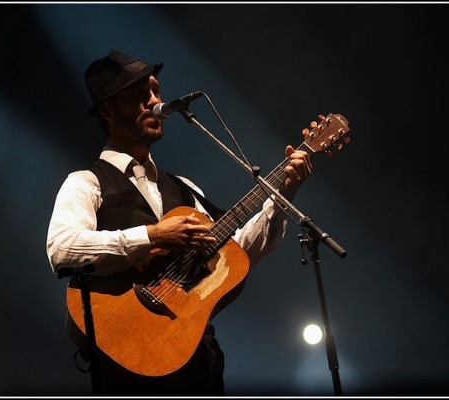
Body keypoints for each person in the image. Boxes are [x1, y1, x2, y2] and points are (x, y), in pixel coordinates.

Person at [46, 49, 312, 396]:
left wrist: (285, 192)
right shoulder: (86, 182)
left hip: (198, 361)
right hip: (126, 363)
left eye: (155, 91)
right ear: (108, 110)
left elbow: (236, 253)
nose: (156, 101)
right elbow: (62, 249)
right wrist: (153, 235)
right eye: (140, 95)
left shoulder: (185, 189)